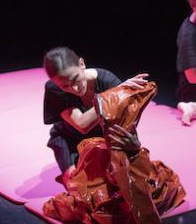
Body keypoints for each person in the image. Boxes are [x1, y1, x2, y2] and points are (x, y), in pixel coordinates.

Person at [42, 46, 148, 184]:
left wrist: (133, 145)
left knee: (123, 179)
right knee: (75, 183)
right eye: (65, 86)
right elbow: (82, 124)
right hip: (70, 139)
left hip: (105, 137)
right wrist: (114, 94)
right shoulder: (53, 88)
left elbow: (125, 122)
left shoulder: (108, 82)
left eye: (75, 79)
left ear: (81, 64)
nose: (74, 88)